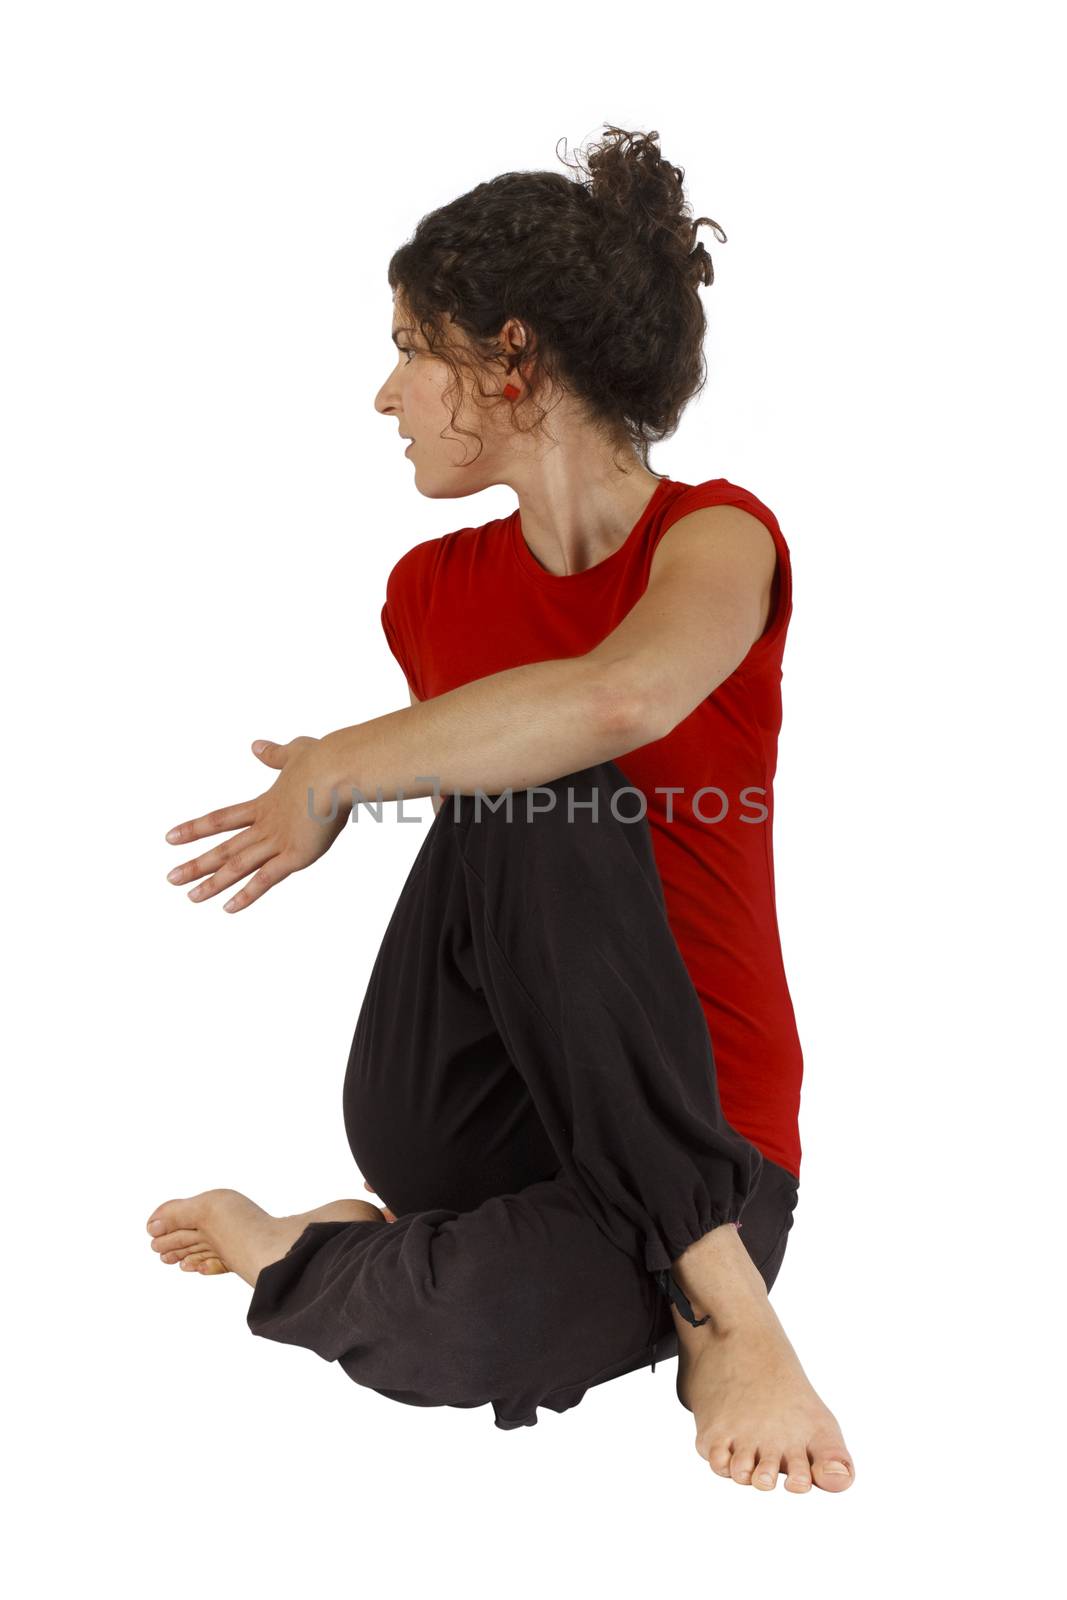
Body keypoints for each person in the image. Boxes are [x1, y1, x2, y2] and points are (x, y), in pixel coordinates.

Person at [148, 125, 855, 1493]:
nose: (384, 392)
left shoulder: (717, 539)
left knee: (462, 1329)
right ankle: (724, 1307)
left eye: (413, 344)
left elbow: (620, 701)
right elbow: (508, 826)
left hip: (712, 1130)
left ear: (512, 361)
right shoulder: (427, 596)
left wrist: (357, 759)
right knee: (520, 776)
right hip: (467, 1105)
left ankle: (297, 1252)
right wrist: (382, 759)